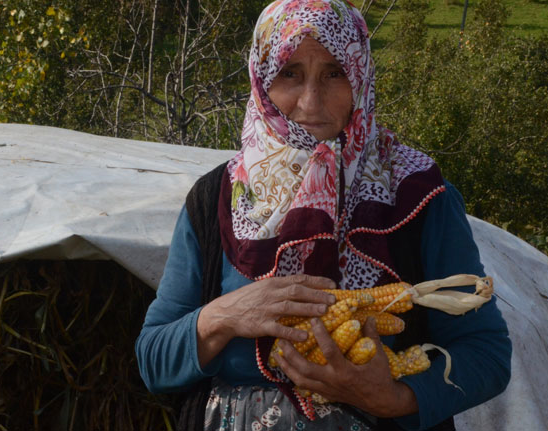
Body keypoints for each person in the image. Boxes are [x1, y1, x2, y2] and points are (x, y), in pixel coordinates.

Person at [135, 0, 511, 429]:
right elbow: (154, 362)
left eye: (334, 73)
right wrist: (226, 315)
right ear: (261, 79)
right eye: (289, 73)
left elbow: (488, 356)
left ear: (361, 78)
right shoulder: (217, 198)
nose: (311, 102)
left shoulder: (418, 193)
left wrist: (392, 397)